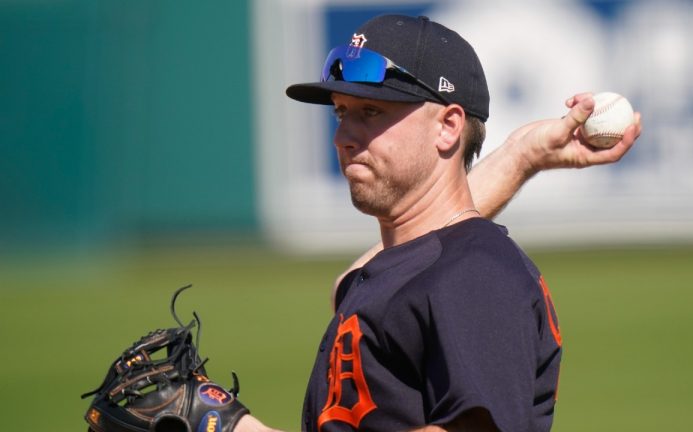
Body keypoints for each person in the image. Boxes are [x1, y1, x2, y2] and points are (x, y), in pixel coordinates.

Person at [236, 14, 641, 432]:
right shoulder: (412, 270)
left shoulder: (476, 274)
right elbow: (367, 279)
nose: (343, 137)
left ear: (448, 126)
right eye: (341, 113)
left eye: (371, 111)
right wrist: (521, 155)